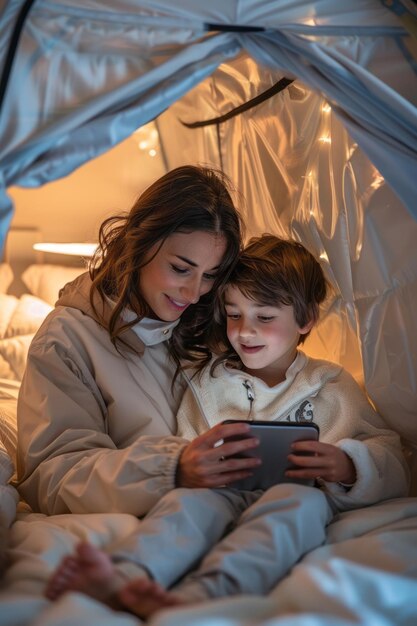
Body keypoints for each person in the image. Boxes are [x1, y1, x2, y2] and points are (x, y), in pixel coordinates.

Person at [45, 235, 409, 618]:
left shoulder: (331, 385)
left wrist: (348, 466)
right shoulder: (209, 381)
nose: (244, 331)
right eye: (234, 315)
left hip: (297, 492)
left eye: (264, 318)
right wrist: (197, 465)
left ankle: (205, 594)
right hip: (221, 489)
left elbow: (390, 457)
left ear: (305, 320)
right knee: (186, 505)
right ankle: (124, 574)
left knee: (299, 506)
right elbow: (189, 441)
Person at [17, 164, 265, 519]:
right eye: (180, 268)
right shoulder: (66, 341)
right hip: (162, 520)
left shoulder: (215, 322)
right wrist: (171, 470)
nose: (194, 292)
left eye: (209, 275)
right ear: (139, 244)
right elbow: (54, 478)